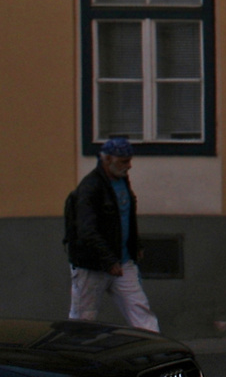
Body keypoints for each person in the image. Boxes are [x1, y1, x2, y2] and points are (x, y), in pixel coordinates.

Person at [64, 137, 160, 331]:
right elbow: (86, 231)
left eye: (129, 160)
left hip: (122, 262)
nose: (129, 166)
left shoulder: (122, 181)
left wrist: (135, 244)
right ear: (107, 160)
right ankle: (77, 353)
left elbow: (125, 219)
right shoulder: (90, 187)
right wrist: (108, 260)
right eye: (124, 161)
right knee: (84, 317)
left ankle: (154, 350)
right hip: (92, 266)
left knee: (140, 310)